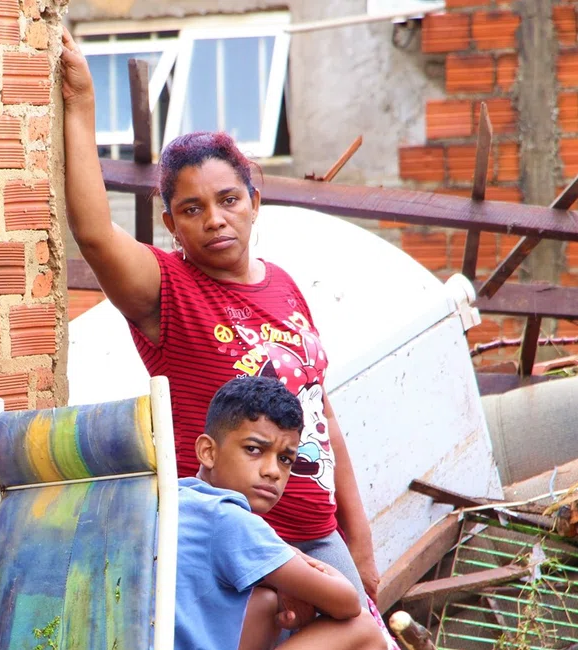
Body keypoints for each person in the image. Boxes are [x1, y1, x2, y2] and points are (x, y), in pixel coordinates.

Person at [58, 29, 381, 606]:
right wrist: (82, 102)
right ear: (171, 224)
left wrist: (358, 542)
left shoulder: (284, 287)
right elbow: (93, 234)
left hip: (316, 534)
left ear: (254, 201)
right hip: (235, 546)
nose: (214, 219)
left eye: (228, 199)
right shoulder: (168, 291)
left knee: (363, 635)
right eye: (192, 209)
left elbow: (321, 415)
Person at [177, 376, 385, 650]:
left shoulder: (179, 499)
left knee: (265, 604)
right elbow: (346, 601)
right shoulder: (230, 519)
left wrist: (280, 584)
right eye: (254, 449)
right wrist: (296, 557)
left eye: (285, 459)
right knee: (363, 630)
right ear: (207, 451)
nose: (273, 471)